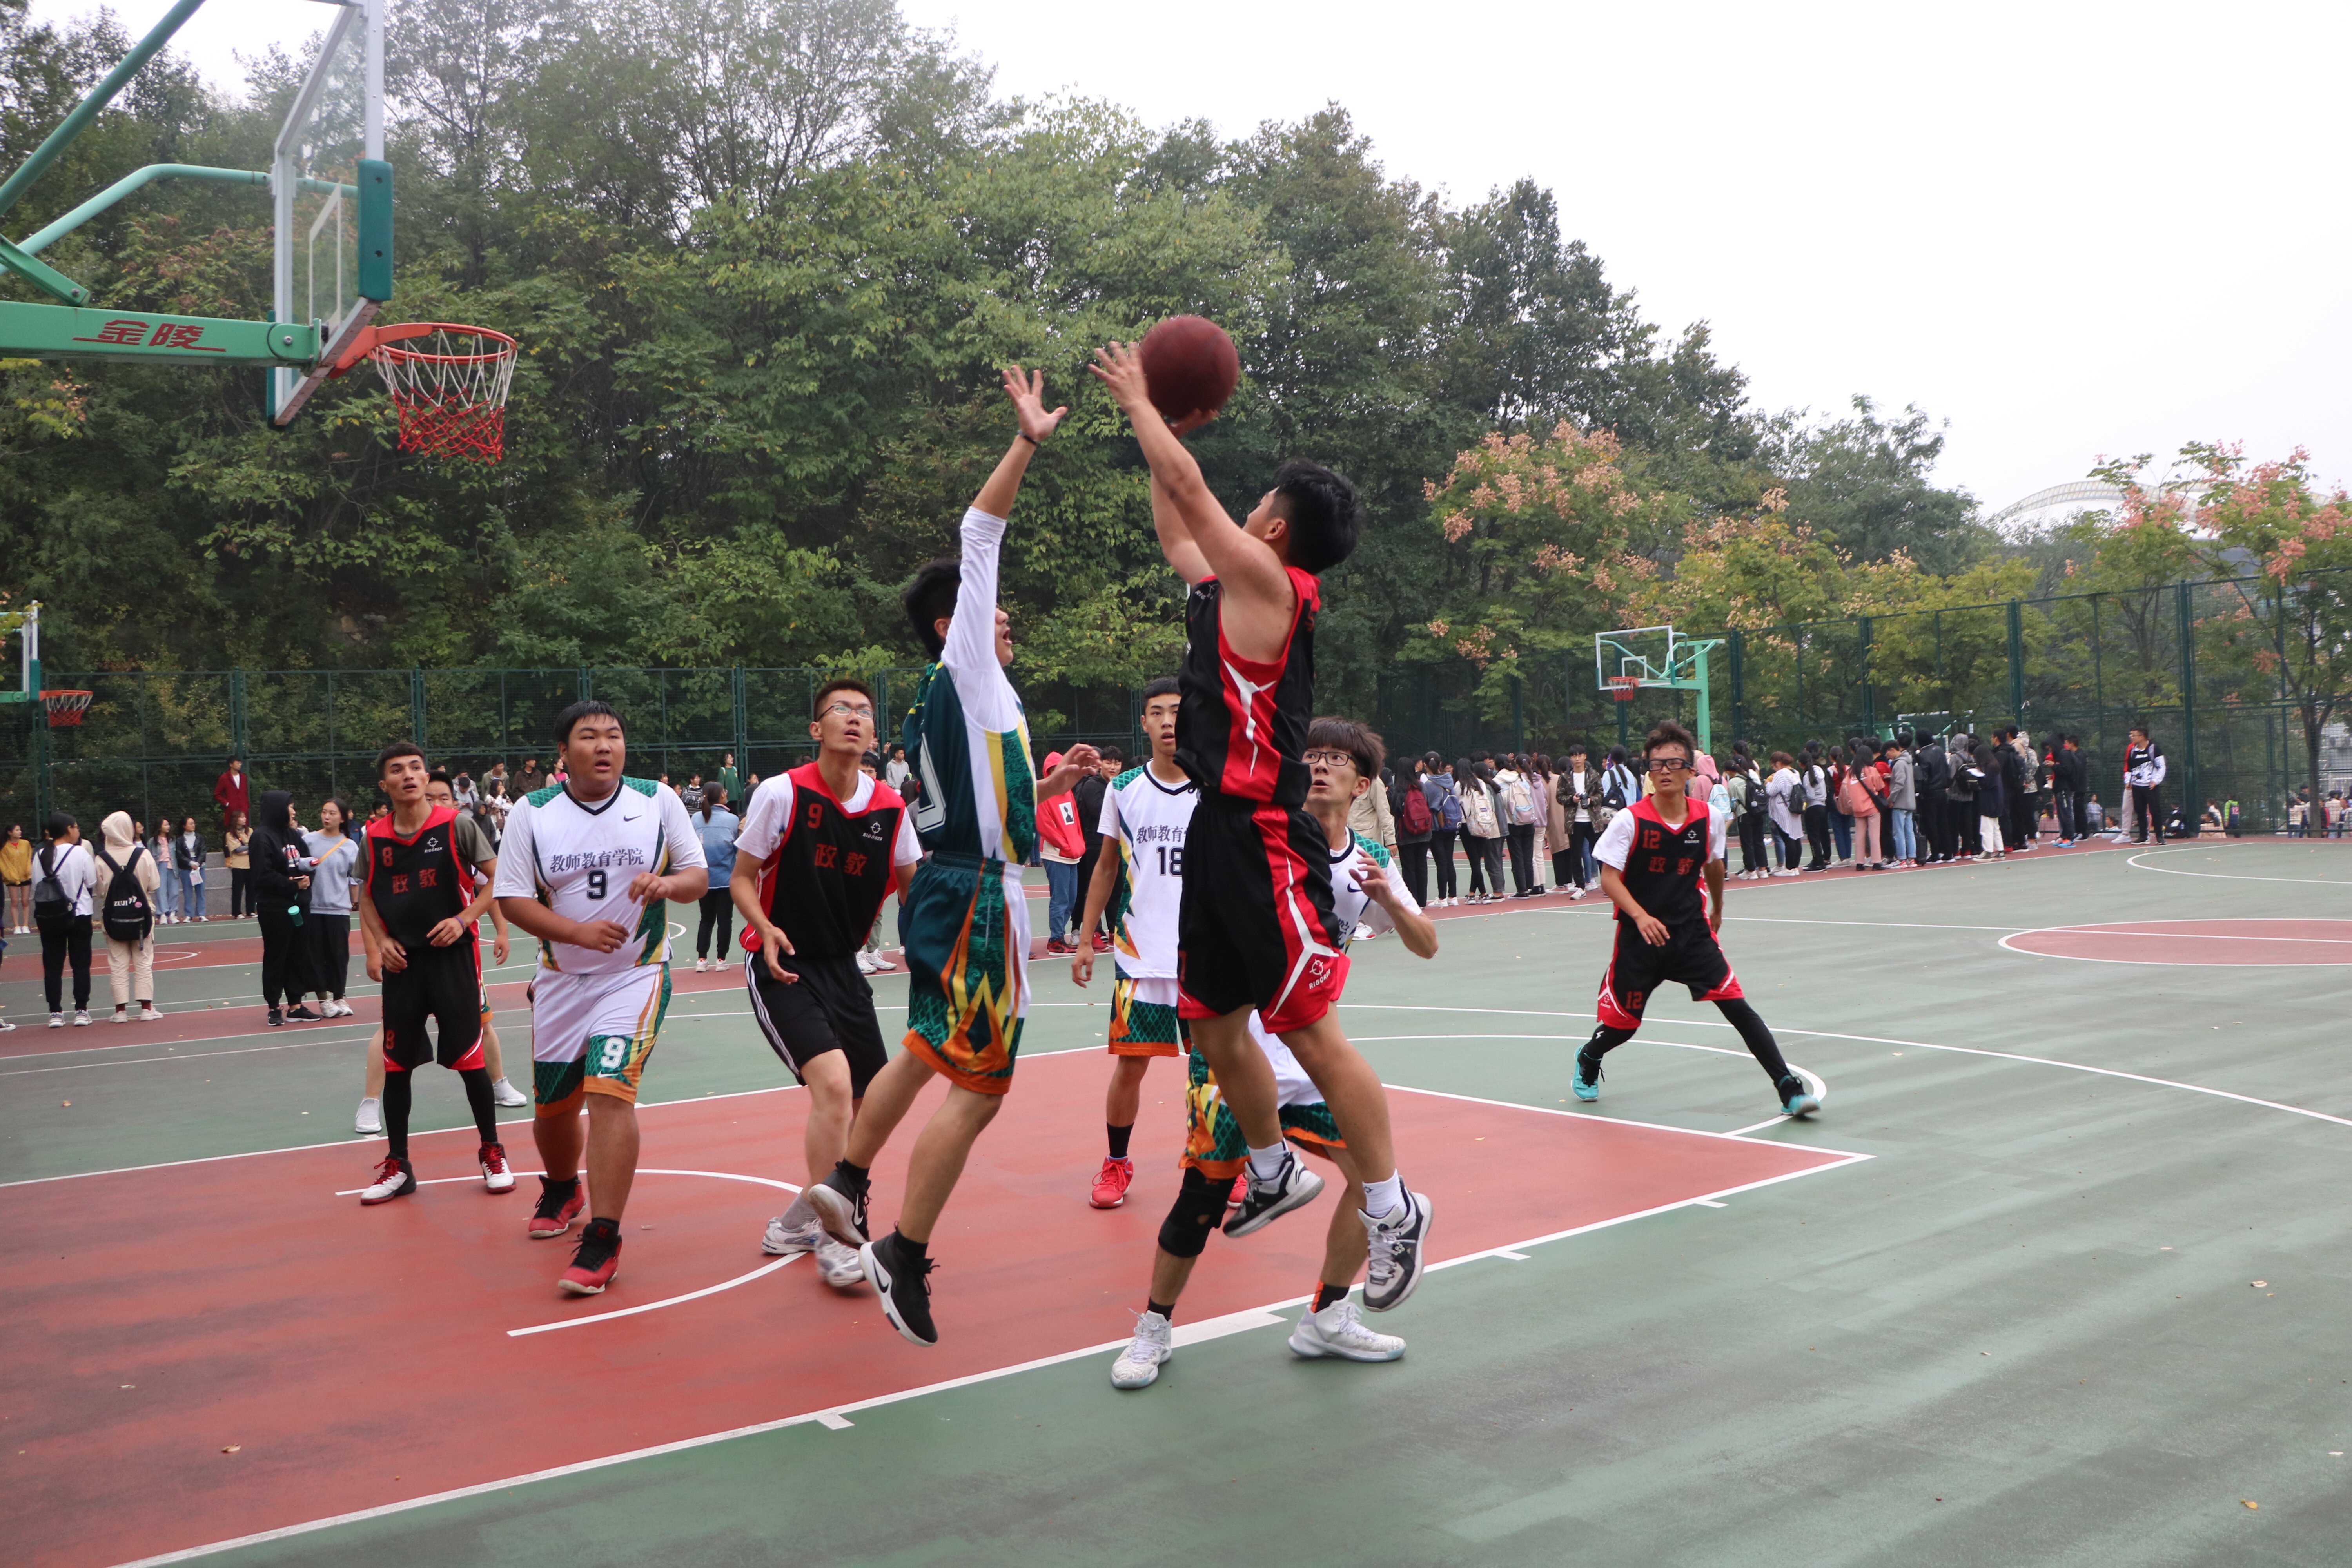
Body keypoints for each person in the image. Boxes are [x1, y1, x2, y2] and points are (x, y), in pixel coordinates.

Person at [1092, 338, 1432, 1320]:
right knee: (1210, 1022)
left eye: (1255, 509)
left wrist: (1143, 404)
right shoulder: (1232, 585)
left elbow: (1189, 489)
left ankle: (1392, 1204)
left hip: (1263, 832)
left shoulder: (1275, 588)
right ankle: (1276, 1166)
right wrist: (1168, 432)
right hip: (1215, 831)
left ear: (1274, 528)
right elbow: (1177, 525)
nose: (1237, 513)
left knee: (1310, 1031)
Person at [798, 367, 1098, 1347]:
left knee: (929, 1047)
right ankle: (905, 1250)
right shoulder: (964, 665)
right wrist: (1026, 441)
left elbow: (976, 808)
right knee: (983, 1084)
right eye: (992, 613)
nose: (1006, 621)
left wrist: (1048, 790)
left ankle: (847, 1177)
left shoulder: (972, 701)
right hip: (975, 899)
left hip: (954, 881)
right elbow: (980, 535)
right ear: (954, 620)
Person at [1110, 716, 1439, 1389]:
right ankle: (1154, 1327)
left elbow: (1428, 944)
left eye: (1335, 760)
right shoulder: (1259, 837)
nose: (1318, 766)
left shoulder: (1366, 860)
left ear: (1362, 784)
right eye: (1310, 755)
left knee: (1368, 1179)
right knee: (1203, 1195)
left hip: (1311, 1057)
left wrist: (1389, 901)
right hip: (1236, 1052)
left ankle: (1327, 1316)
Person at [494, 701, 708, 1294]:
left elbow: (697, 877)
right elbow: (512, 898)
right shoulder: (533, 811)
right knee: (552, 1110)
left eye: (614, 735)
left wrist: (666, 882)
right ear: (564, 753)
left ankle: (604, 1237)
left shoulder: (657, 800)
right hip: (562, 978)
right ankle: (564, 1188)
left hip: (635, 973)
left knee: (610, 1089)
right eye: (589, 736)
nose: (605, 745)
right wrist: (576, 933)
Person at [735, 678, 922, 1291]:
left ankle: (797, 1219)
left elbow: (913, 890)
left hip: (843, 965)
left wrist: (940, 948)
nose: (854, 717)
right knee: (836, 1087)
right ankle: (836, 1236)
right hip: (782, 961)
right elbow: (742, 876)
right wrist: (765, 926)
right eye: (841, 709)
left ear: (874, 736)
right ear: (818, 729)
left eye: (864, 711)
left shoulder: (891, 808)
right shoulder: (783, 793)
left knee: (871, 1104)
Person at [1571, 722, 1820, 1117]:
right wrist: (1640, 915)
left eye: (1674, 763)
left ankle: (1788, 1087)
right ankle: (1590, 1055)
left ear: (1690, 769)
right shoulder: (1629, 821)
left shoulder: (1709, 818)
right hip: (1641, 939)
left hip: (1691, 934)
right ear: (1649, 772)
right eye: (1656, 764)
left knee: (1737, 1006)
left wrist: (1718, 908)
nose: (1665, 771)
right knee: (1624, 1027)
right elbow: (1609, 878)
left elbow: (1714, 864)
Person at [353, 744, 515, 1207]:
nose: (408, 775)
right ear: (384, 784)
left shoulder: (457, 825)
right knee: (397, 1065)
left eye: (416, 768)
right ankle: (399, 1165)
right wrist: (381, 941)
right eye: (397, 770)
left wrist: (465, 919)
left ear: (426, 778)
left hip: (453, 960)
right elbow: (366, 897)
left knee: (470, 1059)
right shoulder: (373, 838)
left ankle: (492, 1151)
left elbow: (497, 879)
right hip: (403, 963)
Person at [1071, 677, 1194, 1211]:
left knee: (1214, 1066)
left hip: (1204, 954)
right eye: (1157, 712)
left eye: (1177, 711)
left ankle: (1219, 1159)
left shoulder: (1215, 788)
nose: (1168, 721)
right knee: (1130, 1064)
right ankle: (1117, 1162)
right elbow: (1104, 867)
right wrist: (1084, 939)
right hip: (1141, 953)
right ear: (1143, 723)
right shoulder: (1123, 790)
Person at [423, 769, 526, 1111]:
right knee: (393, 1029)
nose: (437, 804)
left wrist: (501, 931)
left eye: (444, 798)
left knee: (482, 1022)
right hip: (415, 951)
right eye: (429, 798)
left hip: (460, 951)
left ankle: (499, 1083)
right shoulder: (401, 838)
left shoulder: (462, 835)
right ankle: (371, 1099)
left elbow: (489, 885)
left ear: (455, 803)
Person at [248, 791, 324, 1025]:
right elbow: (262, 875)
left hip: (299, 905)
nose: (294, 811)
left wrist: (308, 877)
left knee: (299, 954)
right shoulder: (261, 837)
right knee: (276, 956)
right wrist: (292, 884)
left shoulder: (293, 835)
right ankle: (274, 1007)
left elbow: (306, 861)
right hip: (275, 908)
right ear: (278, 808)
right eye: (290, 806)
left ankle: (296, 1005)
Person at [93, 811, 161, 1024]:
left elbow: (101, 892)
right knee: (144, 961)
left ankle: (120, 1011)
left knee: (117, 963)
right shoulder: (143, 854)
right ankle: (147, 1008)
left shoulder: (102, 858)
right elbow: (154, 885)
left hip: (113, 917)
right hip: (142, 917)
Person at [32, 812, 96, 1026]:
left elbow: (37, 885)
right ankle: (81, 1010)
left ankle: (55, 1012)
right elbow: (92, 880)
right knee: (81, 963)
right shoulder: (80, 852)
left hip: (49, 915)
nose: (78, 831)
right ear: (69, 829)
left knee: (52, 964)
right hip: (79, 912)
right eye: (76, 827)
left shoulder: (41, 854)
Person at [305, 801, 362, 1018]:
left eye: (332, 813)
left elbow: (357, 876)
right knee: (316, 955)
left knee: (339, 956)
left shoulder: (349, 846)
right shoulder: (309, 840)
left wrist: (356, 901)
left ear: (343, 818)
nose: (326, 817)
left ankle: (339, 997)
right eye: (324, 812)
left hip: (339, 909)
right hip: (313, 908)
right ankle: (323, 1000)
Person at [1036, 751, 1087, 955]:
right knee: (1060, 899)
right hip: (1056, 855)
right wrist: (1065, 846)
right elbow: (1045, 826)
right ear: (1048, 772)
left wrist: (1078, 844)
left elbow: (1076, 822)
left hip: (1072, 854)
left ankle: (1059, 937)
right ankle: (1055, 940)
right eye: (1054, 770)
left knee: (1071, 899)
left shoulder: (1067, 792)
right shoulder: (1044, 794)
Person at [1073, 745, 1118, 955]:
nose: (1113, 767)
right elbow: (1101, 811)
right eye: (1109, 762)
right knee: (1094, 889)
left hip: (1115, 843)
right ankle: (1094, 932)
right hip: (1093, 845)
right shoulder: (1091, 785)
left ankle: (1113, 931)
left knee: (1116, 890)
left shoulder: (1118, 785)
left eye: (1117, 763)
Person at [692, 782, 738, 971]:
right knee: (725, 920)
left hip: (704, 879)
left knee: (706, 919)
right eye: (725, 791)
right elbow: (738, 847)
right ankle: (721, 960)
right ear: (722, 796)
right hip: (726, 879)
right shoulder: (733, 820)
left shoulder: (696, 819)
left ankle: (701, 959)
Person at [1455, 757, 1505, 903]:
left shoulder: (1459, 785)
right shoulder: (1480, 783)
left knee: (1474, 862)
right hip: (1482, 823)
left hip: (1466, 825)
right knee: (1476, 860)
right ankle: (1474, 893)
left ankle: (1482, 894)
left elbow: (1457, 803)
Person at [1394, 752, 1437, 907]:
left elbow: (1396, 810)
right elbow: (1427, 804)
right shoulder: (1420, 786)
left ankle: (1412, 901)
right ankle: (1423, 901)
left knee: (1408, 868)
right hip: (1424, 831)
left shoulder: (1398, 789)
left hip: (1406, 832)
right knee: (1421, 866)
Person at [1495, 755, 1541, 897]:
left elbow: (1501, 802)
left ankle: (1522, 890)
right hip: (1528, 819)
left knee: (1517, 856)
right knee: (1528, 855)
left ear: (1496, 766)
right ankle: (1530, 886)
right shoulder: (1519, 776)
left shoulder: (1498, 780)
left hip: (1512, 822)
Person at [1424, 753, 1462, 907]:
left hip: (1436, 826)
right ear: (1441, 764)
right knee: (1449, 861)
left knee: (1441, 863)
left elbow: (1428, 806)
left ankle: (1442, 899)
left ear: (1426, 765)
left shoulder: (1428, 785)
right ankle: (1453, 896)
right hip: (1451, 824)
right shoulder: (1449, 781)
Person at [1838, 751, 1883, 869]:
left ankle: (1859, 863)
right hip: (1872, 807)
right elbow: (1879, 786)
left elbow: (1845, 789)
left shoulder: (1850, 773)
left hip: (1857, 808)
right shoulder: (1872, 770)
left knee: (1859, 836)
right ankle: (1876, 862)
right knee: (1874, 836)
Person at [1965, 739, 2007, 860]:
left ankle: (1988, 851)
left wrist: (1978, 776)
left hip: (1989, 801)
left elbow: (1987, 784)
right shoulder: (1995, 765)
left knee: (1986, 827)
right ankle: (2000, 850)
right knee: (1995, 827)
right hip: (1996, 800)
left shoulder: (1990, 768)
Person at [1764, 751, 1804, 875]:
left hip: (1783, 808)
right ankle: (1795, 867)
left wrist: (1767, 784)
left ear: (1778, 763)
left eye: (1773, 766)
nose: (1774, 769)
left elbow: (1771, 791)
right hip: (1794, 807)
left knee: (1788, 838)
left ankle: (1789, 868)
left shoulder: (1780, 774)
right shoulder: (1795, 772)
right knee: (1796, 837)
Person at [2125, 725, 2165, 844]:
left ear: (2142, 737)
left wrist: (2156, 781)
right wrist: (2128, 781)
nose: (2131, 737)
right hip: (2137, 786)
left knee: (2155, 811)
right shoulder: (2133, 751)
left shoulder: (2154, 749)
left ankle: (2160, 837)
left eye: (2134, 735)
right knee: (2140, 812)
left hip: (2151, 786)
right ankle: (2143, 836)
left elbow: (2162, 767)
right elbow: (2129, 769)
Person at [0, 822, 29, 933]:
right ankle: (16, 926)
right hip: (12, 878)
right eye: (17, 830)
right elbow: (5, 863)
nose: (20, 832)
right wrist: (12, 877)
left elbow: (28, 859)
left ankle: (26, 925)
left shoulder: (26, 844)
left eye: (20, 830)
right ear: (10, 832)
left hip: (25, 876)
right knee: (15, 902)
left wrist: (28, 872)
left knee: (25, 901)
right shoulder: (5, 846)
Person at [213, 757, 250, 839]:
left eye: (240, 763)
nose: (240, 765)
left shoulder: (244, 777)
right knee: (231, 833)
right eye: (237, 763)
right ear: (231, 765)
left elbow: (245, 793)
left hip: (243, 810)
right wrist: (227, 804)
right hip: (232, 811)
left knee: (245, 832)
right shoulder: (224, 778)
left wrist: (246, 805)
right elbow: (217, 794)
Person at [150, 821, 179, 925]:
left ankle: (173, 914)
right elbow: (150, 856)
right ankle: (162, 914)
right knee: (161, 891)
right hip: (159, 866)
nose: (168, 827)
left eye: (168, 825)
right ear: (159, 827)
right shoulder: (152, 841)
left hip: (172, 866)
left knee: (174, 891)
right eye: (165, 825)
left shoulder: (173, 840)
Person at [224, 813, 252, 915]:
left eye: (245, 817)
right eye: (242, 817)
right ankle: (237, 912)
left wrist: (246, 850)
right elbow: (238, 850)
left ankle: (251, 910)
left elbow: (255, 844)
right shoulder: (230, 834)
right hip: (238, 865)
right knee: (238, 890)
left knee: (251, 888)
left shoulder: (250, 831)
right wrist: (250, 847)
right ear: (236, 819)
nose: (245, 819)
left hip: (251, 864)